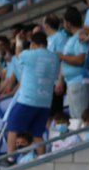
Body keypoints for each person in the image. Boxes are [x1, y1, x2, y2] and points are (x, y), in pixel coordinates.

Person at [5, 31, 59, 162]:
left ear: (33, 44)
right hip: (45, 101)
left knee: (12, 127)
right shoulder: (54, 57)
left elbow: (18, 55)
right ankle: (42, 158)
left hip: (28, 99)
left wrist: (19, 41)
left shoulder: (31, 54)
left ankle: (10, 159)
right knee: (37, 133)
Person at [55, 7, 89, 120]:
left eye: (64, 21)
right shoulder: (72, 38)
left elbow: (81, 59)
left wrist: (62, 56)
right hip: (70, 83)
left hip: (79, 82)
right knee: (74, 118)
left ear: (68, 23)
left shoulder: (80, 36)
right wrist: (60, 80)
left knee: (80, 117)